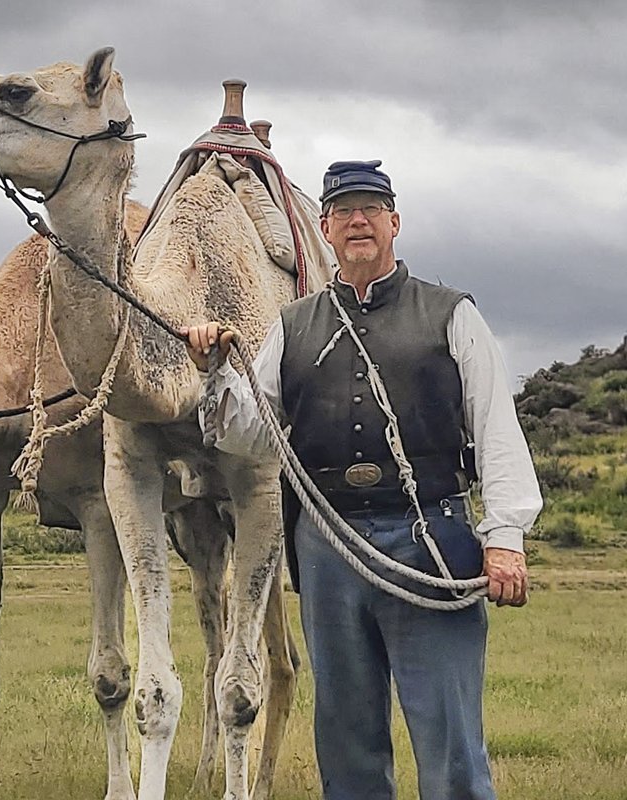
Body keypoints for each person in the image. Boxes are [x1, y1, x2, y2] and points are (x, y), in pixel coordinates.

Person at [181, 160, 542, 799]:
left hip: (433, 537)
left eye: (371, 209)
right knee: (346, 740)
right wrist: (212, 372)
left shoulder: (450, 314)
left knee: (451, 742)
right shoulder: (292, 327)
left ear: (394, 222)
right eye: (344, 211)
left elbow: (495, 429)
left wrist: (506, 533)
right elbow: (249, 433)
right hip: (330, 546)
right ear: (325, 228)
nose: (358, 221)